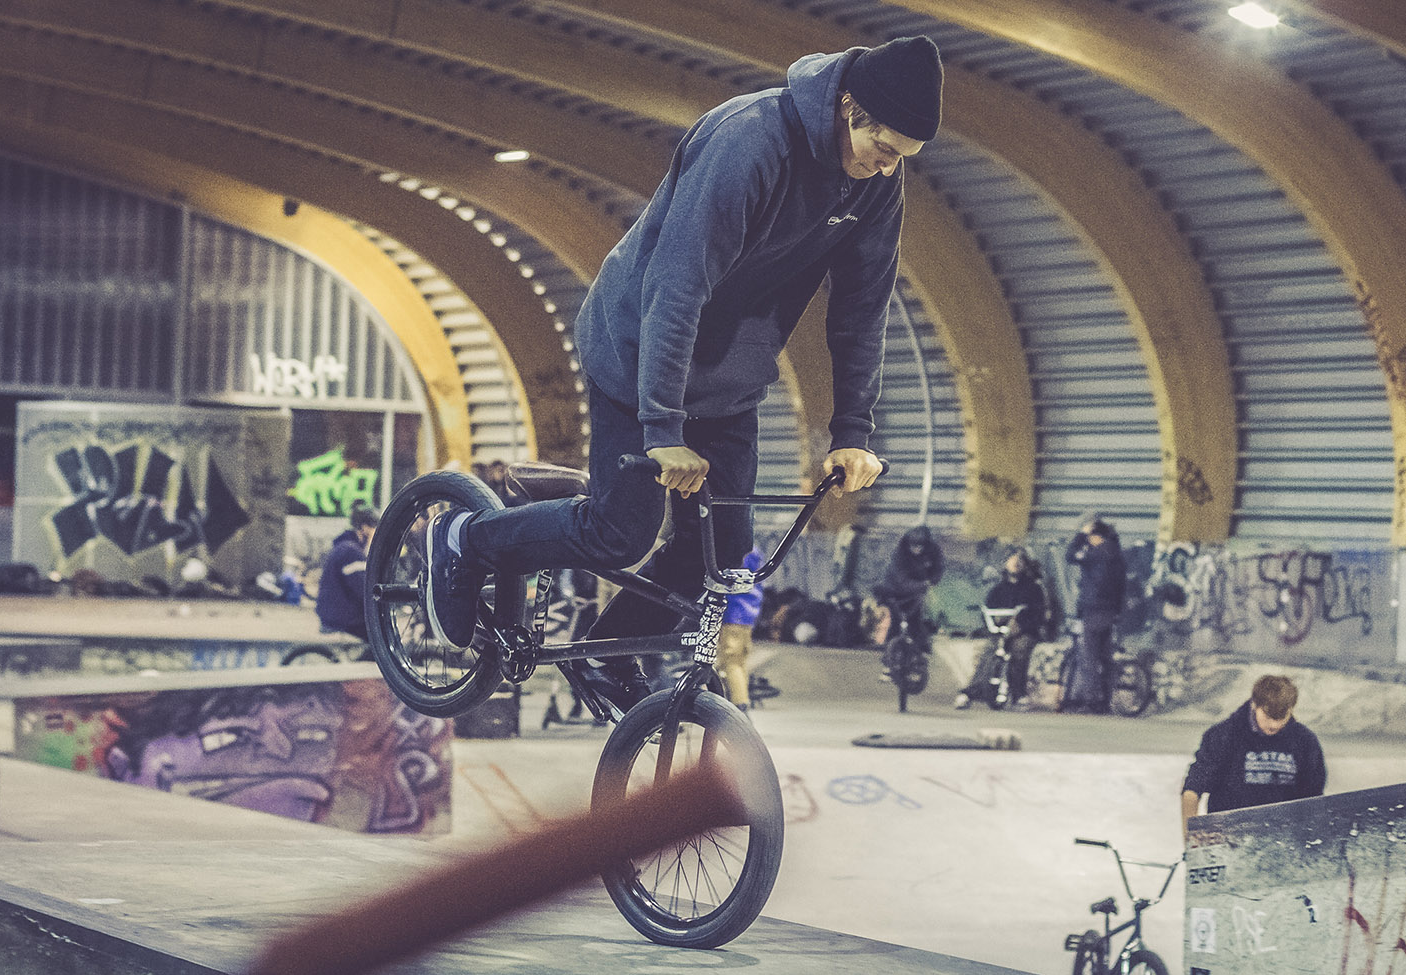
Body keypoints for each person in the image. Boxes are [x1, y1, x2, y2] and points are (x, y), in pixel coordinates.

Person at [423, 37, 941, 711]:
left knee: (725, 556)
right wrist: (662, 427)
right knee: (621, 533)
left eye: (902, 155)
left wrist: (851, 430)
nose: (886, 167)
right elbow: (677, 285)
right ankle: (465, 538)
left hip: (728, 377)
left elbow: (862, 311)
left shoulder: (877, 185)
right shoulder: (750, 142)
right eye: (886, 147)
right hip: (637, 346)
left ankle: (610, 660)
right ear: (850, 107)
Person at [1180, 675, 1327, 840]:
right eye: (1267, 716)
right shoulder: (1223, 736)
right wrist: (1190, 838)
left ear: (1291, 709)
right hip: (1229, 838)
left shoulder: (1305, 742)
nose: (1274, 725)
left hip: (1284, 840)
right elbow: (1192, 789)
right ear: (1255, 704)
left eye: (1281, 718)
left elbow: (1314, 799)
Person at [957, 547, 1048, 709]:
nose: (1016, 563)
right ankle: (971, 692)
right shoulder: (998, 590)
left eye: (1020, 560)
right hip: (1000, 631)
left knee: (1019, 651)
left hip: (1024, 632)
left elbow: (1038, 614)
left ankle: (1018, 694)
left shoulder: (1033, 589)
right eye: (1012, 559)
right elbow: (988, 611)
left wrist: (1021, 625)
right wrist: (995, 625)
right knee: (989, 653)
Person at [1062, 516, 1125, 713]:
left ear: (1095, 536)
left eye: (1090, 536)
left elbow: (1070, 556)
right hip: (1110, 612)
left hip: (1094, 610)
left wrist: (1080, 535)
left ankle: (1091, 701)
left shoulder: (1096, 554)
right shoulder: (1117, 554)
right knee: (1106, 657)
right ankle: (1105, 700)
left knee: (1089, 658)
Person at [873, 525, 946, 655]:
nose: (916, 549)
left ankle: (920, 645)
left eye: (919, 546)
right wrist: (923, 585)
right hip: (894, 589)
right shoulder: (899, 555)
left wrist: (932, 580)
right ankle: (890, 644)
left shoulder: (932, 551)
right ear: (908, 545)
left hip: (917, 589)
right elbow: (900, 580)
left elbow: (938, 568)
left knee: (915, 619)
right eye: (913, 546)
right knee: (895, 619)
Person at [314, 506, 378, 641]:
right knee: (380, 639)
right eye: (374, 528)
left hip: (334, 613)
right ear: (365, 528)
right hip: (341, 617)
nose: (376, 534)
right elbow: (363, 589)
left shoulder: (345, 546)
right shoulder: (351, 551)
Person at [718, 548, 766, 712]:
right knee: (739, 662)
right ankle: (739, 705)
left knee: (731, 663)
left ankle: (739, 707)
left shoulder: (737, 550)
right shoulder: (754, 549)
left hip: (734, 613)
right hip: (748, 613)